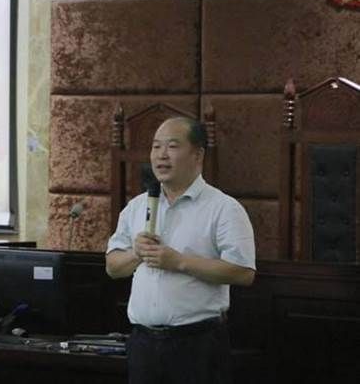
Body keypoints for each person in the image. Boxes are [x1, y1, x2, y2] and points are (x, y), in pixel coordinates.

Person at [105, 117, 256, 384]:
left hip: (197, 344)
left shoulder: (223, 208)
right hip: (143, 344)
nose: (161, 155)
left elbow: (243, 273)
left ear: (198, 155)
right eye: (156, 147)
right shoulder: (137, 206)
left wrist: (179, 262)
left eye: (172, 146)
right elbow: (113, 267)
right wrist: (136, 254)